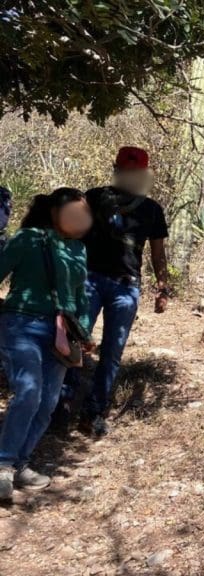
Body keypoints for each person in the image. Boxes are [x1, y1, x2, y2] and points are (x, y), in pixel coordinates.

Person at [0, 188, 94, 499]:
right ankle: (4, 465)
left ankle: (21, 464)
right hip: (22, 324)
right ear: (55, 212)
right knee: (29, 391)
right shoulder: (28, 239)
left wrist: (84, 331)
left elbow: (80, 296)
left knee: (47, 402)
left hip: (61, 335)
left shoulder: (79, 249)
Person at [74, 146, 171, 437]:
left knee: (112, 353)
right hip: (89, 280)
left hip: (125, 286)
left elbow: (158, 253)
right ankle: (61, 402)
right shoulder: (92, 198)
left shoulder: (152, 209)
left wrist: (163, 287)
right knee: (74, 343)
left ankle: (93, 411)